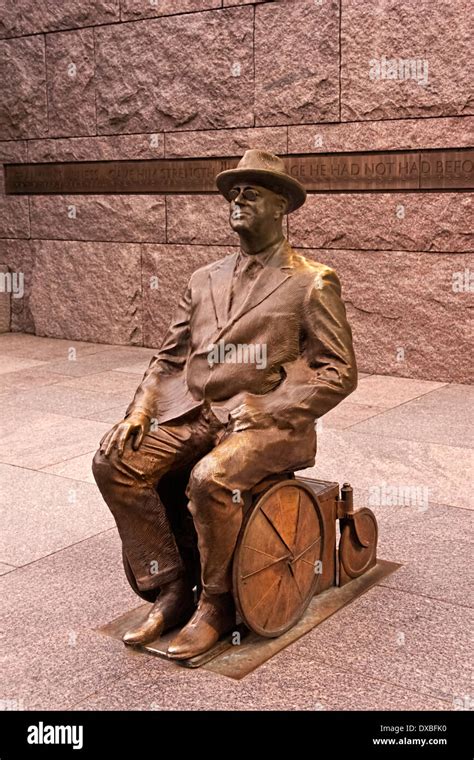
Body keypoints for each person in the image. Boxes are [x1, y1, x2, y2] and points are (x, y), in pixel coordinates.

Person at [92, 149, 357, 659]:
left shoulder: (311, 281)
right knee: (114, 462)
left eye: (251, 192)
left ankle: (215, 603)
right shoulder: (203, 278)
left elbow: (339, 371)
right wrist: (140, 412)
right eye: (233, 192)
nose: (237, 199)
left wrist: (272, 407)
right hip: (194, 411)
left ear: (281, 207)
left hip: (264, 422)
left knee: (210, 478)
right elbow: (168, 359)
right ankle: (169, 587)